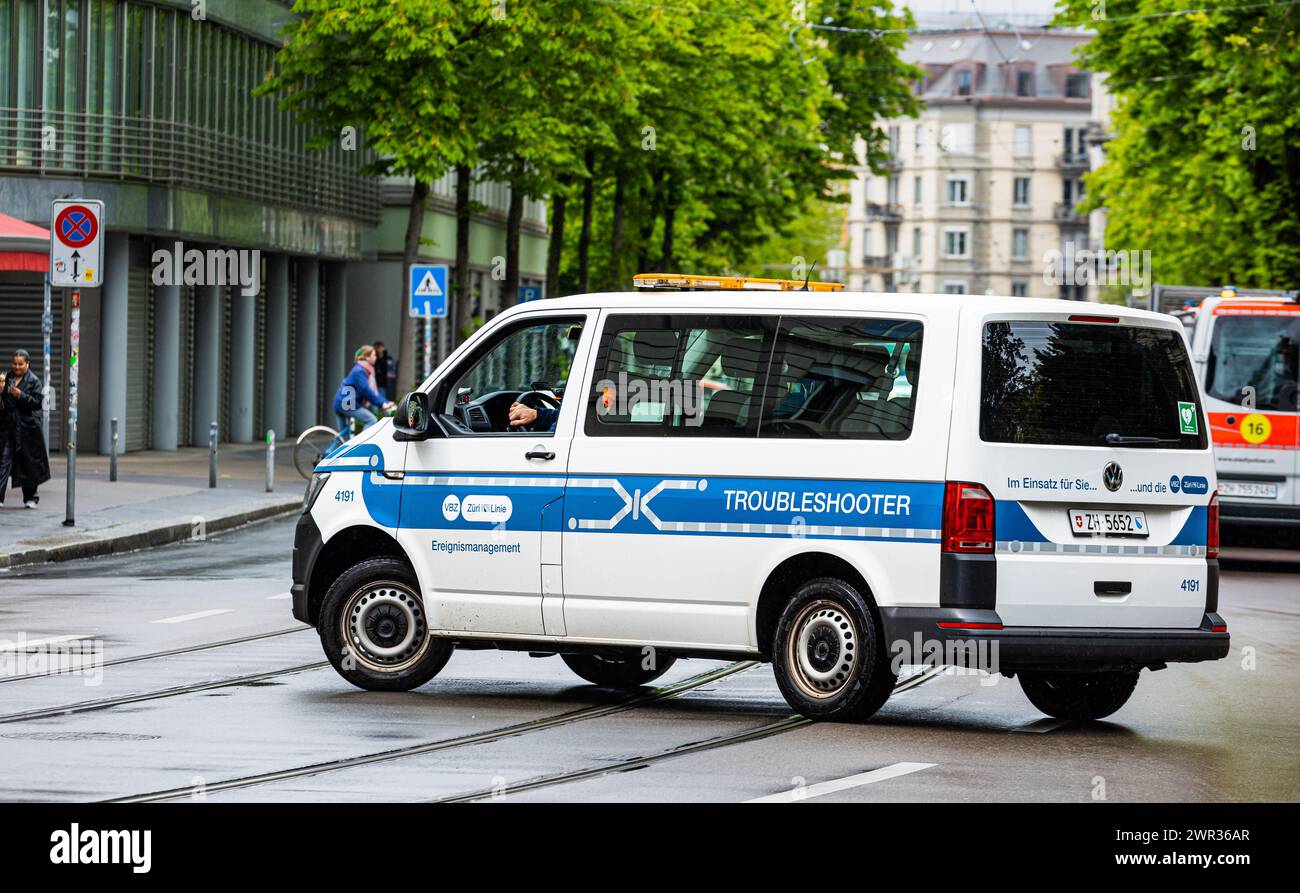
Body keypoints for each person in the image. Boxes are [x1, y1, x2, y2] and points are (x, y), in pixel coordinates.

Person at [0, 349, 51, 508]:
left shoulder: (34, 381)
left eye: (20, 364)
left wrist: (19, 394)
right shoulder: (9, 377)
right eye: (14, 363)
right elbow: (7, 401)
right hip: (9, 427)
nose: (16, 367)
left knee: (28, 463)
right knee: (3, 461)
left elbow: (37, 403)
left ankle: (30, 497)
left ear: (27, 364)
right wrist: (3, 393)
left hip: (28, 428)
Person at [332, 345, 394, 434]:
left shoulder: (363, 369)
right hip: (347, 404)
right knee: (371, 420)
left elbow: (372, 392)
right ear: (367, 357)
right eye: (374, 355)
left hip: (344, 403)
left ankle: (335, 447)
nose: (376, 357)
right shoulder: (360, 371)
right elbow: (365, 390)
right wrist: (382, 404)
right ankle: (360, 445)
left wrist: (385, 402)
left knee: (342, 439)